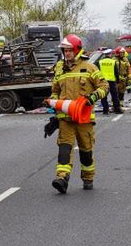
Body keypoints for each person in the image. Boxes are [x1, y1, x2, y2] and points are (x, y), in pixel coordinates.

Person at [49, 34, 108, 193]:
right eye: (64, 50)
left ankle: (88, 178)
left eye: (69, 50)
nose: (67, 53)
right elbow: (55, 91)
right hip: (65, 119)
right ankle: (62, 178)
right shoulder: (59, 68)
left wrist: (92, 97)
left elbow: (104, 87)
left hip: (84, 119)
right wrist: (54, 109)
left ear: (77, 50)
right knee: (64, 149)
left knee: (86, 151)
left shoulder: (90, 68)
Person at [98, 49, 122, 114]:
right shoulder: (113, 62)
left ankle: (105, 110)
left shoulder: (100, 62)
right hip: (112, 81)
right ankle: (117, 109)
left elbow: (98, 72)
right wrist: (117, 80)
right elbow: (116, 72)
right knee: (114, 96)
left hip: (103, 81)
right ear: (110, 54)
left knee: (104, 96)